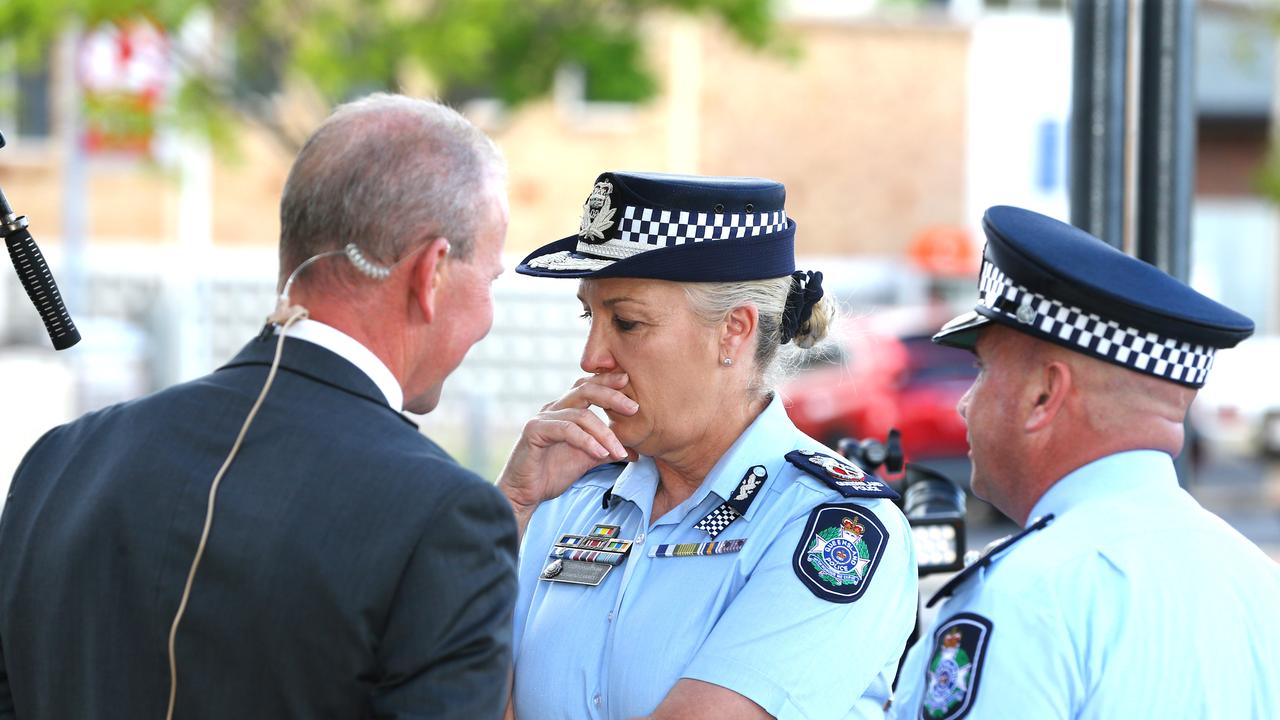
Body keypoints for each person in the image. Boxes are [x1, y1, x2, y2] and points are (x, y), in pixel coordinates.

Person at [0, 94, 518, 719]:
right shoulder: (443, 521)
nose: (490, 316)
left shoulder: (62, 460)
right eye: (491, 280)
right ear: (431, 272)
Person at [496, 171, 919, 719]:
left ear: (734, 331)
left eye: (626, 322)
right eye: (589, 316)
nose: (592, 355)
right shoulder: (567, 500)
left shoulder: (832, 528)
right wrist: (509, 510)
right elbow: (456, 699)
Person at [891, 206, 1280, 719]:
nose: (966, 402)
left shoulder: (1027, 596)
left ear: (1045, 394)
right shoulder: (1257, 584)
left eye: (982, 369)